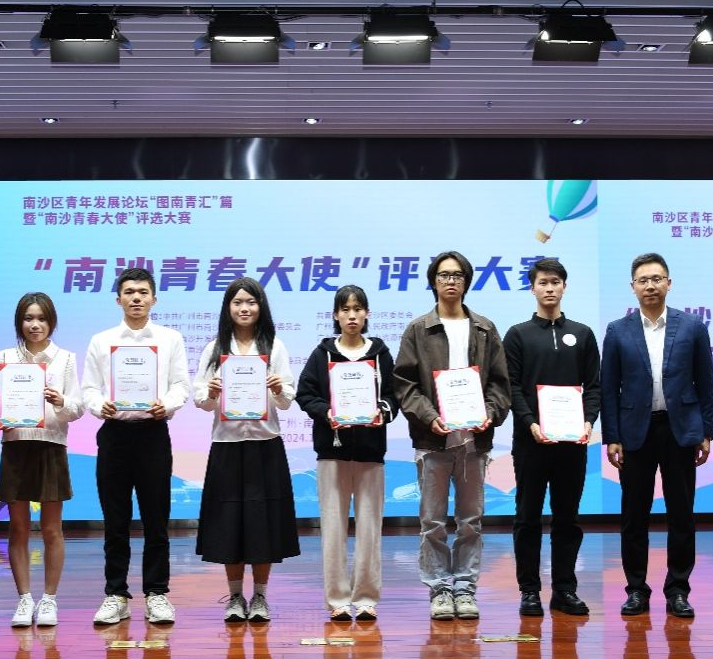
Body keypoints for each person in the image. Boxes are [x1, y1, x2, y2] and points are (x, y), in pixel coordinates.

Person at [394, 251, 511, 621]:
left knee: (470, 520)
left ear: (466, 281)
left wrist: (489, 413)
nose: (450, 281)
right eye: (444, 275)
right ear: (433, 281)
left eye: (457, 275)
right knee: (432, 521)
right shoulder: (418, 329)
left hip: (475, 440)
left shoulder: (485, 328)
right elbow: (404, 384)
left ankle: (465, 586)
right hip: (434, 439)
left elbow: (500, 383)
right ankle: (440, 588)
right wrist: (429, 417)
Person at [602, 252, 713, 619]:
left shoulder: (692, 326)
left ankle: (678, 590)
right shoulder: (617, 330)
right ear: (633, 287)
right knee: (633, 516)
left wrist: (706, 432)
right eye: (643, 280)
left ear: (669, 283)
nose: (650, 285)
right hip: (634, 433)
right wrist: (612, 436)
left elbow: (706, 383)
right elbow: (609, 388)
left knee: (681, 514)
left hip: (680, 430)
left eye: (656, 279)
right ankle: (636, 590)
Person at [80, 268, 190, 626]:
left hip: (153, 434)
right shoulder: (102, 340)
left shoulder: (170, 339)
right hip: (115, 434)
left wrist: (166, 404)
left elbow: (181, 385)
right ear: (118, 299)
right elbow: (89, 388)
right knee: (115, 521)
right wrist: (99, 405)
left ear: (154, 299)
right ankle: (116, 594)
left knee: (156, 519)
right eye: (129, 292)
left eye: (143, 292)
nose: (136, 298)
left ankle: (157, 593)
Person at [193, 277, 300, 623]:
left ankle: (261, 597)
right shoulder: (214, 349)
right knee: (229, 522)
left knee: (262, 522)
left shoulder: (274, 347)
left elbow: (287, 401)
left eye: (251, 302)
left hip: (265, 445)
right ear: (228, 308)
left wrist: (279, 388)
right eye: (237, 302)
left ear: (261, 307)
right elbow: (200, 400)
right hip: (227, 446)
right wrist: (210, 392)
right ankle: (236, 596)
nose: (244, 308)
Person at [503, 258, 601, 618]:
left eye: (555, 282)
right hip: (531, 442)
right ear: (532, 288)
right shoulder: (517, 334)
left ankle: (564, 589)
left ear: (564, 287)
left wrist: (588, 420)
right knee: (527, 517)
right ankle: (529, 590)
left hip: (572, 443)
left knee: (567, 519)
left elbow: (594, 386)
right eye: (543, 282)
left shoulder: (583, 334)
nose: (549, 288)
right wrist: (530, 422)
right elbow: (512, 386)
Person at [295, 285, 398, 621]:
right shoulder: (322, 354)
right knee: (333, 527)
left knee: (370, 528)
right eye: (345, 309)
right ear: (336, 315)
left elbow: (394, 396)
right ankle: (338, 599)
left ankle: (366, 598)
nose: (351, 316)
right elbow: (305, 394)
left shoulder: (380, 353)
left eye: (357, 309)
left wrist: (382, 412)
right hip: (332, 451)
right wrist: (327, 412)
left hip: (371, 452)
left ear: (367, 314)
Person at [0, 292, 84, 628]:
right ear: (19, 322)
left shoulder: (65, 359)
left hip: (50, 445)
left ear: (51, 322)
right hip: (16, 445)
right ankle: (24, 599)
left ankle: (49, 599)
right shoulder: (6, 357)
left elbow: (77, 408)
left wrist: (60, 400)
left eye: (41, 318)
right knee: (17, 528)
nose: (35, 325)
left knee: (51, 529)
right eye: (28, 318)